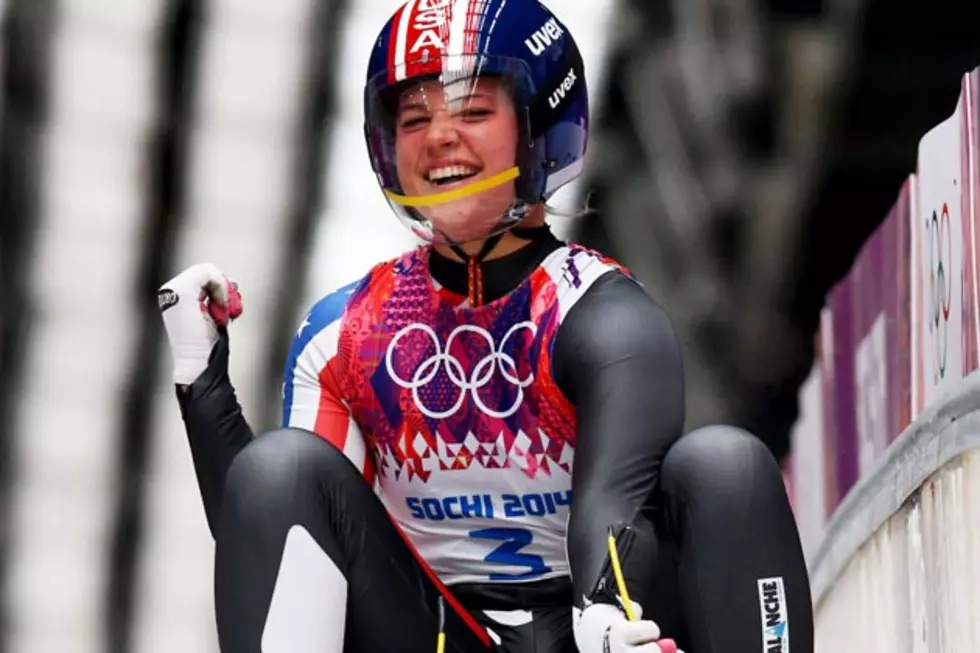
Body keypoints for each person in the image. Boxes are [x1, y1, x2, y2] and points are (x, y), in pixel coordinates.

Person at [158, 1, 815, 652]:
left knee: (726, 465)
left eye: (472, 111)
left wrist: (609, 612)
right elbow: (281, 537)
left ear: (540, 127)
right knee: (278, 466)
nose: (441, 137)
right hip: (436, 632)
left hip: (601, 627)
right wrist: (204, 389)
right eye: (415, 118)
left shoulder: (604, 314)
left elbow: (614, 506)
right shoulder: (342, 334)